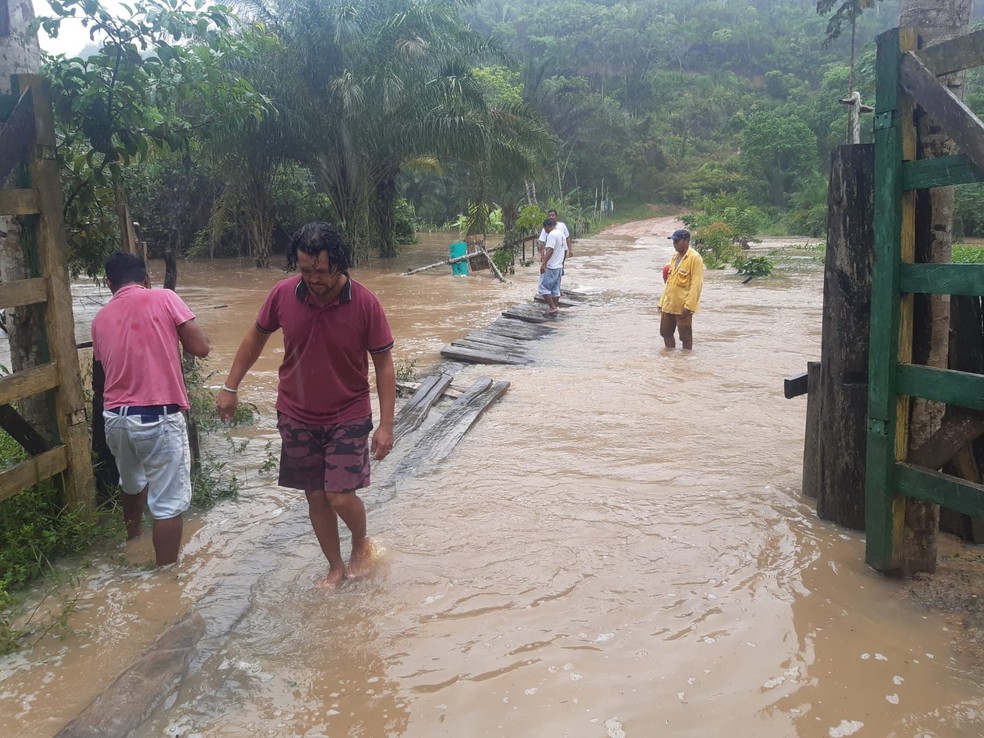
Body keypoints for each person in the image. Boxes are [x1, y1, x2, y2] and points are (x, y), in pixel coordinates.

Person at [216, 222, 396, 587]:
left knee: (340, 496)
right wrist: (230, 386)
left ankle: (360, 541)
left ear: (339, 263)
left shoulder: (364, 303)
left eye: (321, 270)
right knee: (315, 495)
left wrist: (386, 424)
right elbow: (255, 338)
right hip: (296, 414)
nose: (313, 278)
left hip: (348, 412)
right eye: (305, 269)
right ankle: (335, 567)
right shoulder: (283, 295)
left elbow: (383, 363)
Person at [91, 252, 210, 565]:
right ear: (146, 279)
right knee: (168, 504)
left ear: (109, 284)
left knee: (131, 483)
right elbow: (200, 347)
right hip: (157, 418)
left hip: (115, 419)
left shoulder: (100, 319)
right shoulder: (165, 298)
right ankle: (166, 580)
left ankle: (133, 543)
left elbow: (101, 379)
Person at [658, 228, 704, 350]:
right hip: (669, 304)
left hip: (683, 306)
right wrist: (661, 302)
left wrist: (689, 306)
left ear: (686, 241)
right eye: (673, 242)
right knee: (665, 333)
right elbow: (669, 282)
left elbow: (697, 284)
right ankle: (670, 358)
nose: (674, 244)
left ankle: (685, 362)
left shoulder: (695, 258)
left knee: (685, 337)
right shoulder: (675, 257)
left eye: (677, 242)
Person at [538, 218, 568, 315]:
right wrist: (562, 263)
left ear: (547, 226)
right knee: (555, 289)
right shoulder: (562, 235)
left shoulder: (552, 235)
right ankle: (555, 307)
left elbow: (550, 250)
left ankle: (552, 306)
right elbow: (565, 250)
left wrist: (544, 264)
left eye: (544, 228)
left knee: (542, 288)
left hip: (551, 266)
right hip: (559, 266)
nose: (544, 231)